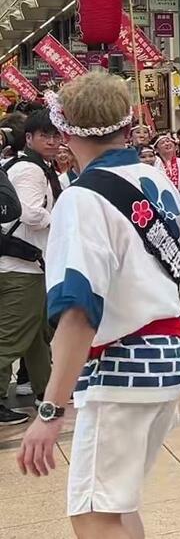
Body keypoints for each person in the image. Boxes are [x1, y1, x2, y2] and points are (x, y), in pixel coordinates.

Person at [16, 72, 180, 539]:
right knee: (116, 504)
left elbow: (77, 310)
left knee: (92, 514)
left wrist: (50, 411)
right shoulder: (156, 178)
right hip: (168, 357)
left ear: (66, 132)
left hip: (121, 366)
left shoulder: (82, 198)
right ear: (126, 123)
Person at [0, 109, 61, 426]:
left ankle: (46, 391)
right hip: (19, 267)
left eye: (55, 135)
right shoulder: (30, 170)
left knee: (37, 334)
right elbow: (28, 212)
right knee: (11, 338)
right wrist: (61, 219)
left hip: (22, 263)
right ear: (29, 138)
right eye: (44, 135)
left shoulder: (29, 166)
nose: (52, 141)